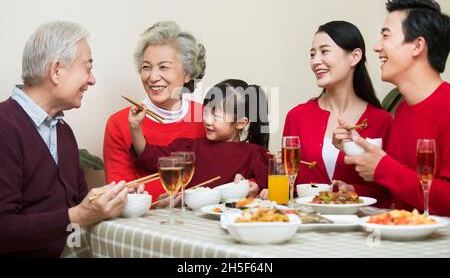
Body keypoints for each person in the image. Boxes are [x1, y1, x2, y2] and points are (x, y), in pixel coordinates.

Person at [0, 21, 129, 257]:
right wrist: (78, 215)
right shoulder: (4, 126)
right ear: (57, 70)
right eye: (87, 68)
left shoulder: (63, 132)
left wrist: (119, 197)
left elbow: (80, 202)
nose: (92, 80)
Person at [342, 0, 450, 216]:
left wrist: (383, 168)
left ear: (417, 45)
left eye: (386, 36)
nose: (376, 47)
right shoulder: (401, 110)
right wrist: (354, 190)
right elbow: (401, 194)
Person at [282, 21, 393, 207]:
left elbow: (388, 192)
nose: (315, 61)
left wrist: (354, 193)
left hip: (360, 229)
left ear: (354, 57)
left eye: (324, 51)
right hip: (307, 226)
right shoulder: (296, 116)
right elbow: (286, 183)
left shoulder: (382, 121)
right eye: (312, 54)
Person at [104, 21, 206, 203]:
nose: (152, 77)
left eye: (164, 67)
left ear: (188, 73)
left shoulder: (206, 118)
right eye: (146, 67)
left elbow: (228, 170)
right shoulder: (119, 123)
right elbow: (121, 194)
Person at [128, 79, 270, 196]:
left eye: (216, 115)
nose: (207, 120)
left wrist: (254, 187)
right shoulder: (191, 149)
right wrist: (135, 127)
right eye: (206, 111)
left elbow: (274, 189)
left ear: (240, 122)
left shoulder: (254, 154)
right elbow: (151, 157)